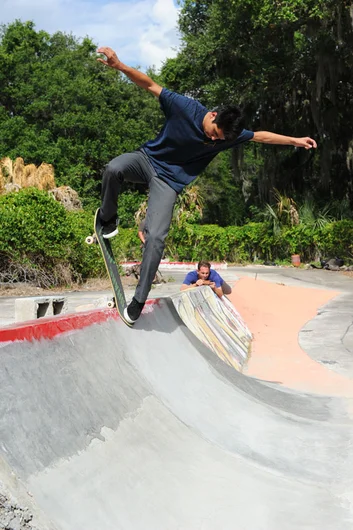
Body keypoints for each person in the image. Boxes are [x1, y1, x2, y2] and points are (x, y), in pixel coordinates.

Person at [96, 46, 317, 324]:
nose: (215, 142)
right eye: (214, 135)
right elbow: (149, 84)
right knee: (114, 168)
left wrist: (295, 140)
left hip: (168, 182)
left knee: (156, 237)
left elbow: (260, 136)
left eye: (220, 141)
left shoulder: (228, 135)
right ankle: (107, 218)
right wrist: (120, 66)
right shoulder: (183, 106)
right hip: (146, 160)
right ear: (212, 115)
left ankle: (138, 300)